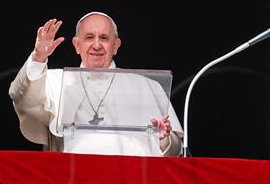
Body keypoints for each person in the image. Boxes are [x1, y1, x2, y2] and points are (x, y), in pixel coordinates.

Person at [9, 12, 183, 156]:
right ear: (77, 45)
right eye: (89, 37)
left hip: (131, 182)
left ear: (116, 45)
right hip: (73, 182)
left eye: (104, 38)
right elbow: (21, 97)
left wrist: (162, 138)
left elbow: (174, 151)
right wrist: (38, 57)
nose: (97, 45)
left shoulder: (146, 86)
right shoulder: (55, 80)